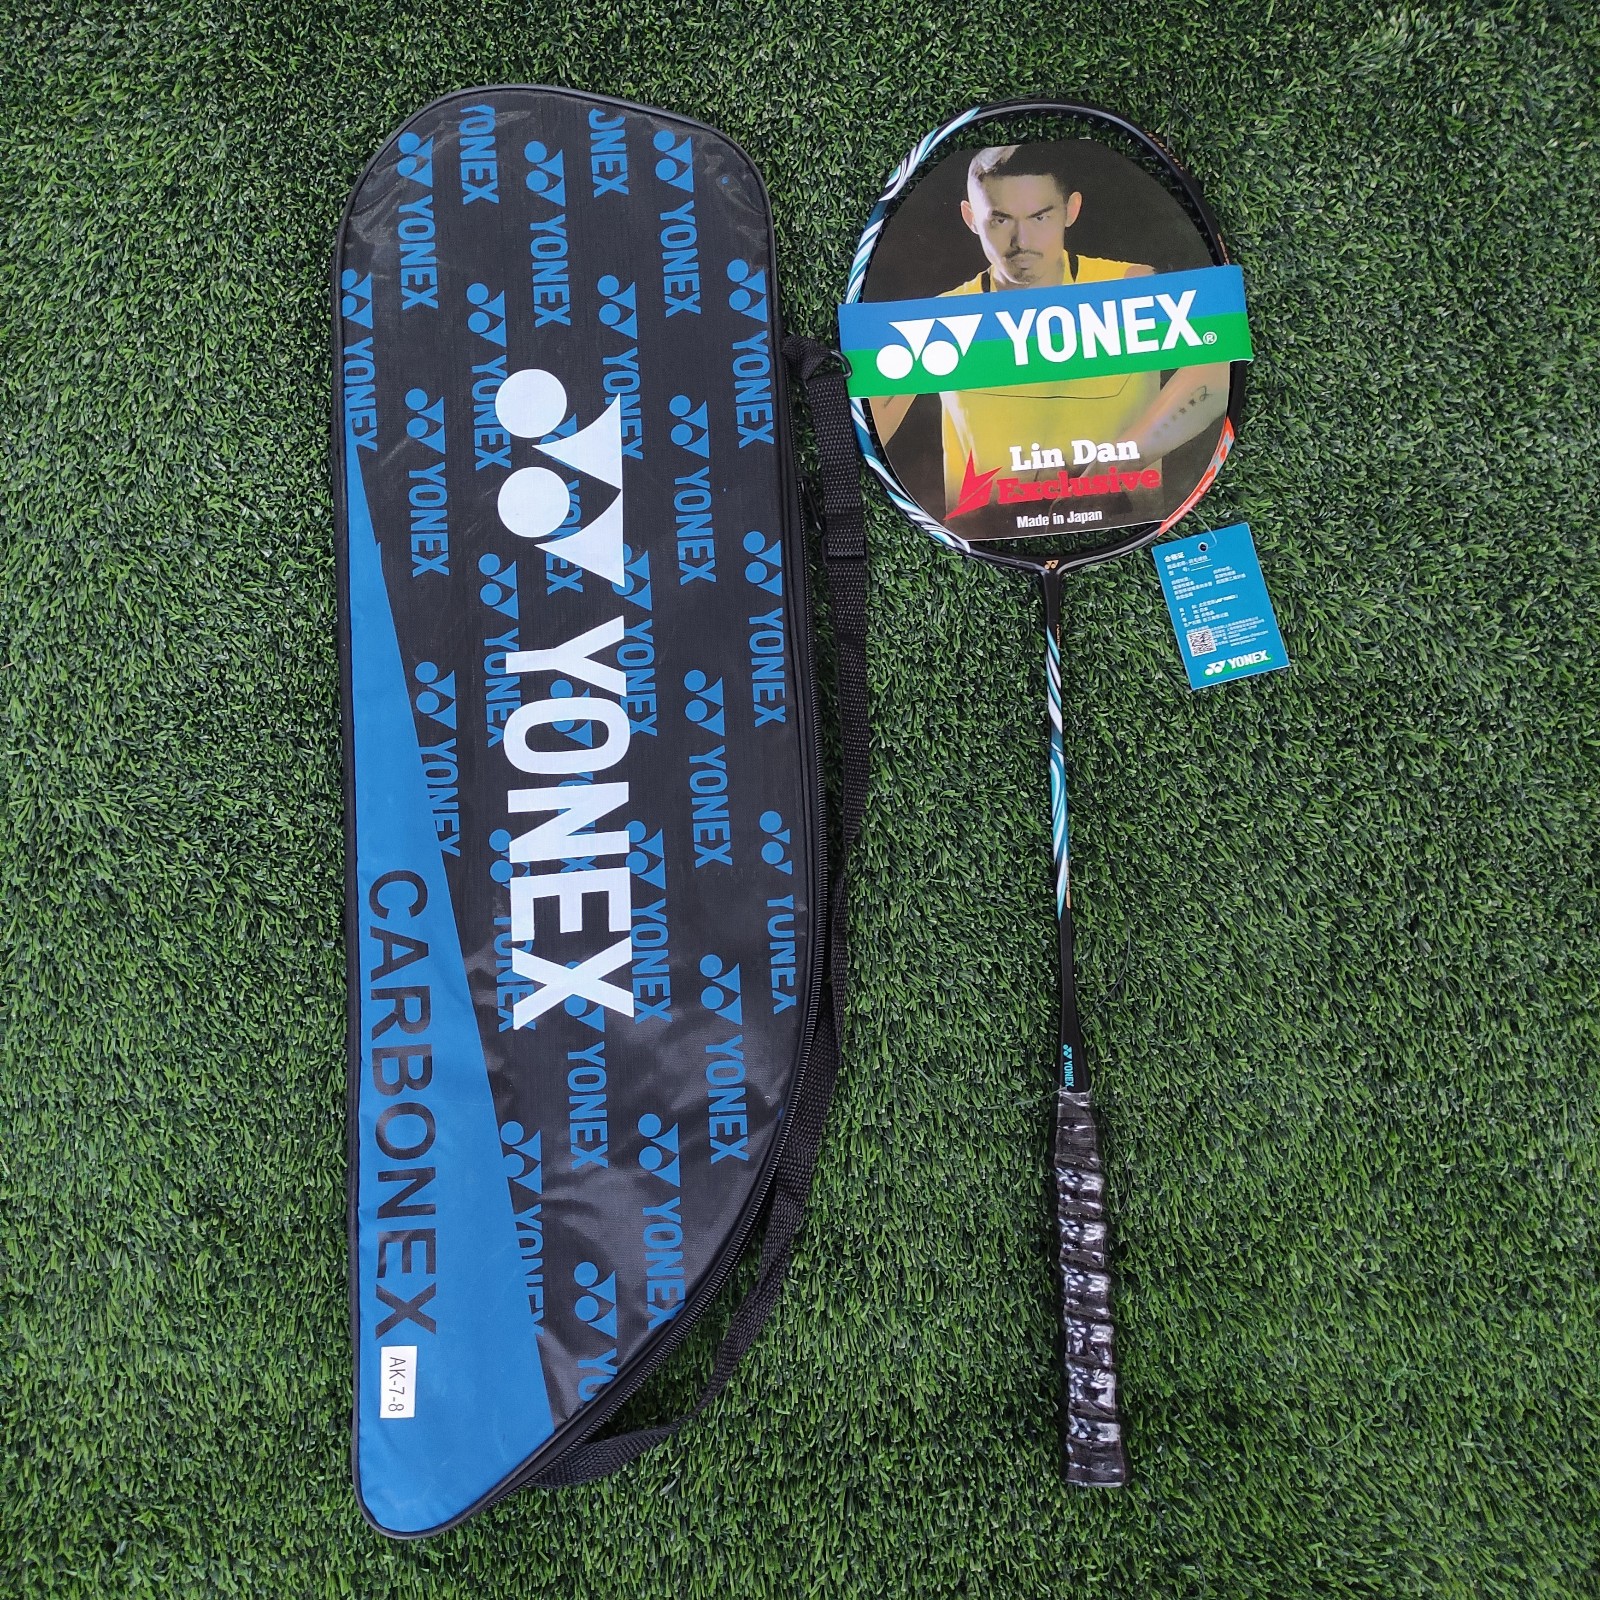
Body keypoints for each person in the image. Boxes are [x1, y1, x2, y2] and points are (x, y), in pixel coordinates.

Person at [871, 144, 1229, 524]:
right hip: (985, 536)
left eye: (1040, 217)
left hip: (1120, 526)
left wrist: (1115, 465)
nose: (1021, 241)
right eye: (1000, 220)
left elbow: (1217, 370)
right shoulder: (942, 319)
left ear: (1071, 210)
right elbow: (865, 418)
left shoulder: (1130, 287)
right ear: (971, 217)